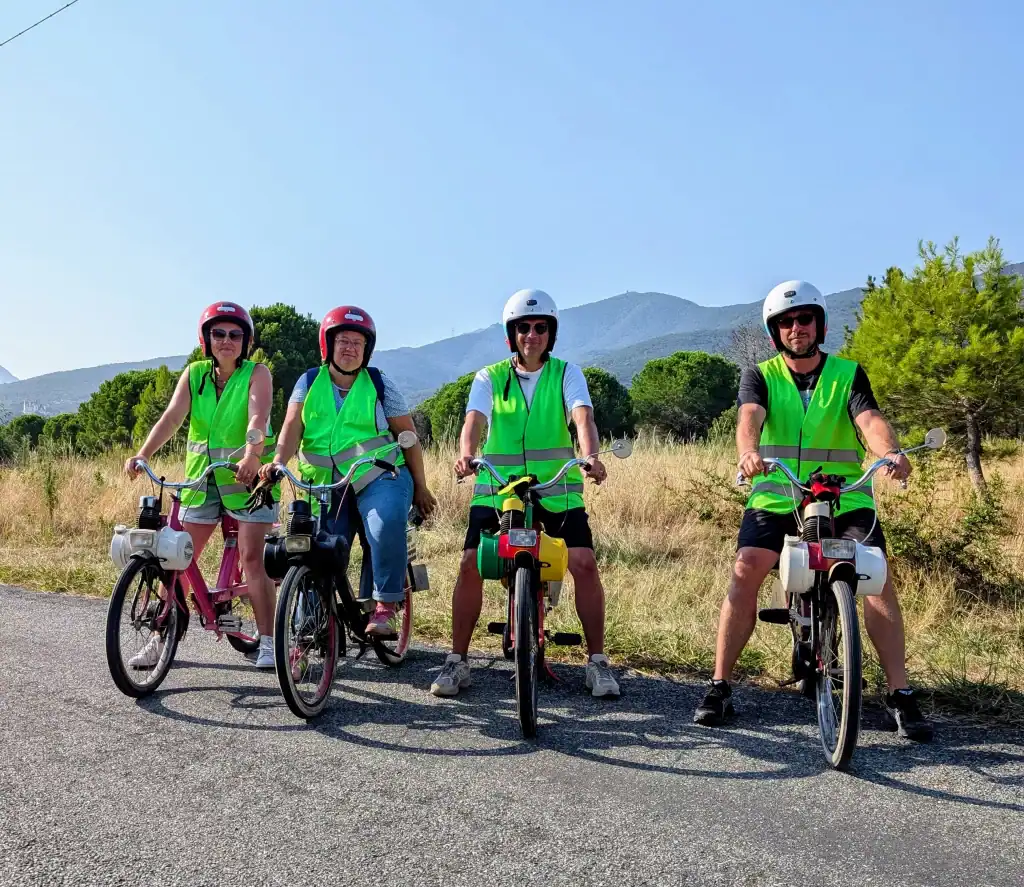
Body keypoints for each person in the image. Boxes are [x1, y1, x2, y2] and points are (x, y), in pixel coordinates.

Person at [693, 280, 933, 740]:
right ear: (775, 332)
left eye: (804, 319)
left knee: (876, 576)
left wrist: (890, 453)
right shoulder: (760, 375)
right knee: (746, 569)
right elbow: (749, 418)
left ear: (819, 325)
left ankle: (900, 694)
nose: (796, 327)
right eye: (786, 322)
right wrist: (748, 453)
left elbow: (870, 420)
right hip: (777, 493)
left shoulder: (848, 373)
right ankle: (720, 685)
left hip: (844, 495)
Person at [430, 288, 620, 699]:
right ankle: (457, 660)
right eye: (523, 328)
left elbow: (582, 417)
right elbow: (474, 421)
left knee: (584, 563)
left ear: (551, 333)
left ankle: (597, 662)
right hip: (498, 488)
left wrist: (590, 457)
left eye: (540, 328)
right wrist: (466, 455)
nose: (531, 335)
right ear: (510, 335)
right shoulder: (489, 377)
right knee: (470, 564)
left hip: (557, 487)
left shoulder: (567, 374)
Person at [260, 306, 436, 634]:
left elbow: (408, 438)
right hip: (325, 485)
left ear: (367, 350)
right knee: (312, 547)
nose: (350, 348)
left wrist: (421, 488)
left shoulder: (380, 384)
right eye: (343, 340)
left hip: (381, 477)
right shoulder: (308, 382)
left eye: (358, 343)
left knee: (384, 526)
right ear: (328, 345)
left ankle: (384, 607)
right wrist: (278, 462)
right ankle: (311, 623)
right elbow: (291, 427)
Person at [126, 301, 280, 668]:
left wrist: (252, 455)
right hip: (203, 480)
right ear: (206, 339)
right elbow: (172, 417)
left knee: (252, 557)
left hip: (248, 479)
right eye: (218, 334)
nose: (226, 340)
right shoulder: (194, 374)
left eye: (235, 335)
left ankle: (269, 642)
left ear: (246, 341)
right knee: (176, 557)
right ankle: (161, 637)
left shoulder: (257, 373)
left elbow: (258, 416)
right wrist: (143, 453)